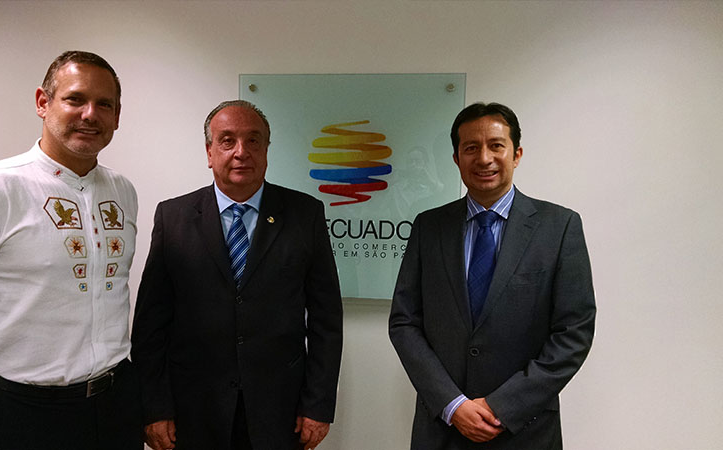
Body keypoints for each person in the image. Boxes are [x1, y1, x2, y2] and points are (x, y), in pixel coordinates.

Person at [0, 51, 141, 449]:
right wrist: (0, 363)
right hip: (18, 414)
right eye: (75, 99)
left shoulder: (122, 191)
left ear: (117, 116)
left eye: (104, 104)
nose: (90, 114)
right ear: (43, 102)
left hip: (114, 406)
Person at [131, 100, 343, 450]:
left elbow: (326, 320)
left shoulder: (305, 214)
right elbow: (150, 324)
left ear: (266, 150)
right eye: (227, 140)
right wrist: (154, 407)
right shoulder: (174, 217)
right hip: (193, 410)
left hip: (280, 410)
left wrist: (318, 404)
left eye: (253, 140)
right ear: (209, 151)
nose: (241, 152)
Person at [389, 102, 596, 449]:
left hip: (524, 430)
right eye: (471, 148)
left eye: (496, 146)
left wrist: (502, 406)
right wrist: (453, 405)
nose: (484, 158)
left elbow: (574, 332)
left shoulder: (559, 227)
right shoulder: (429, 227)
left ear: (517, 154)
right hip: (442, 429)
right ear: (456, 159)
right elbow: (404, 322)